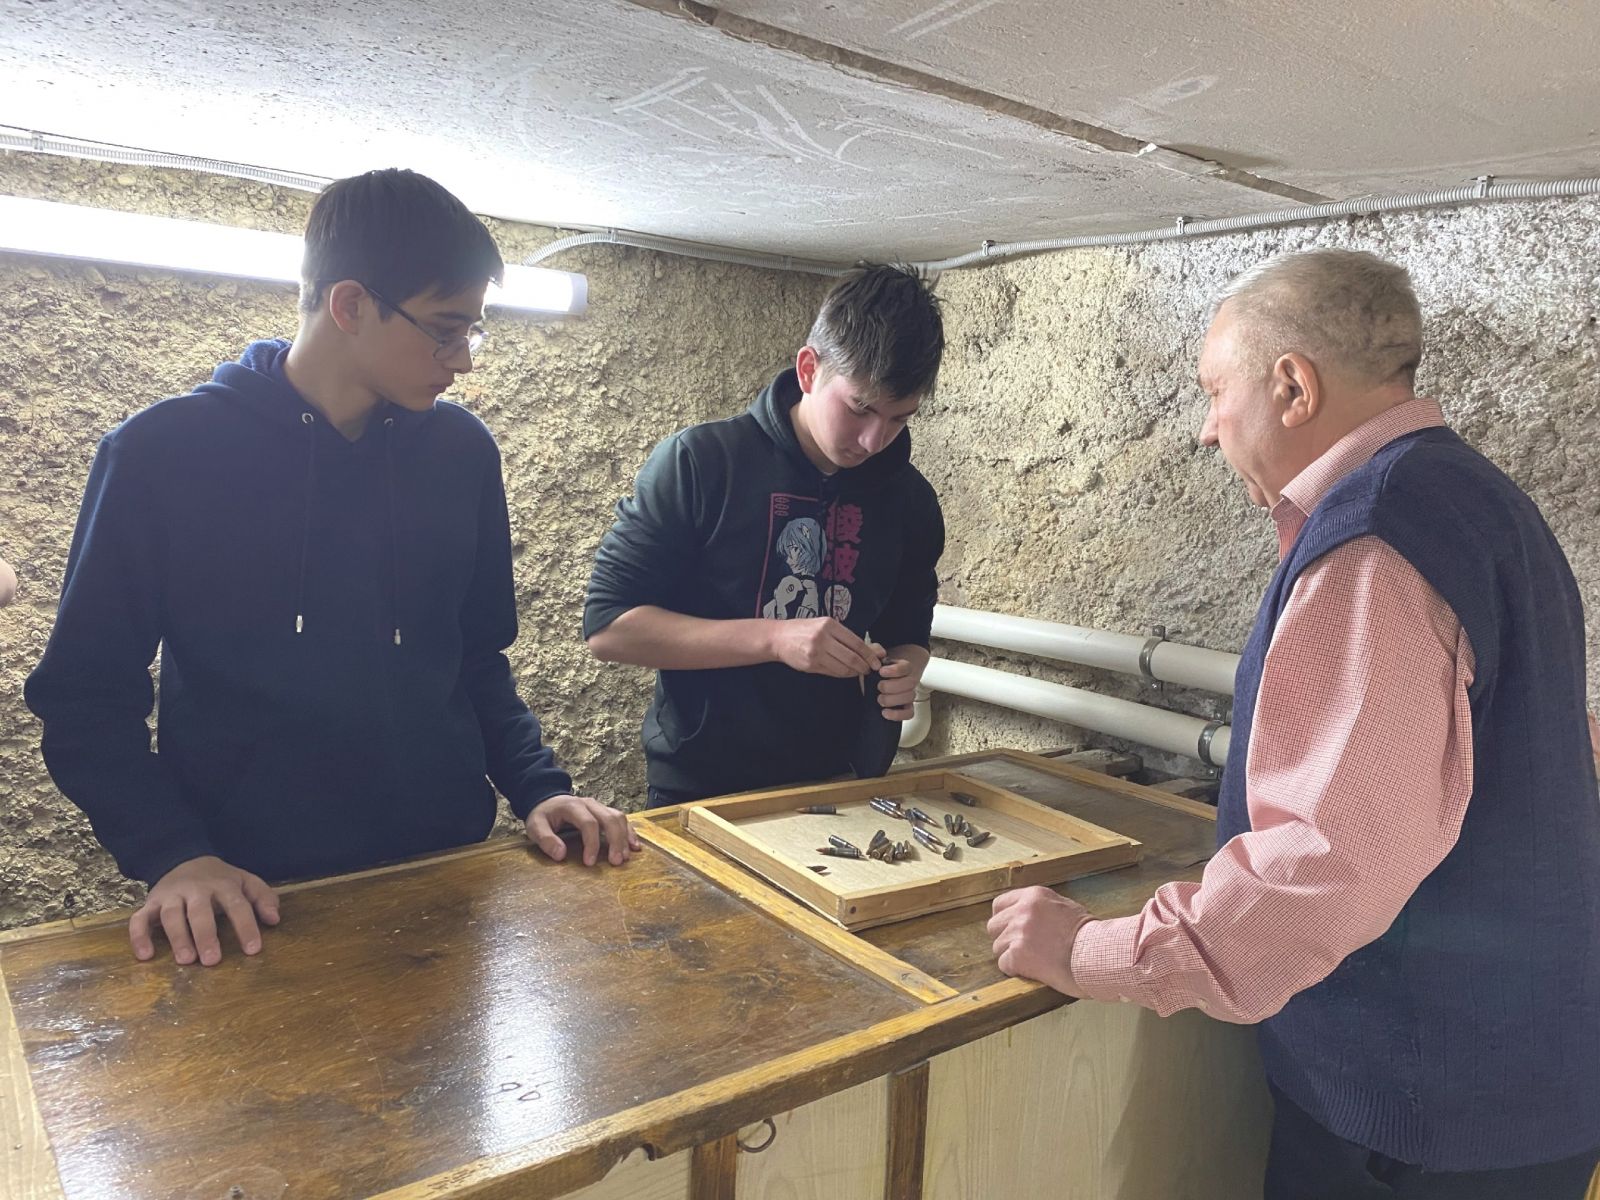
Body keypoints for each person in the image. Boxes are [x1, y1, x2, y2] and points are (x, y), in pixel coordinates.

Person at [988, 249, 1600, 1197]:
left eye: (1214, 391)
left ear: (1292, 387)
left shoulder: (1376, 540)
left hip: (1417, 1121)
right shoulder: (1484, 502)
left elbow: (1323, 868)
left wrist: (1085, 950)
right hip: (1522, 1079)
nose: (1206, 429)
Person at [26, 168, 635, 969]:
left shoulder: (462, 454)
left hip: (445, 875)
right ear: (349, 305)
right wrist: (173, 854)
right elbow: (85, 699)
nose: (463, 360)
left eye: (473, 333)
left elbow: (475, 659)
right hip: (248, 899)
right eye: (444, 330)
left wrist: (539, 786)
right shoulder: (158, 455)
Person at [584, 264, 945, 806]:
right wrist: (775, 640)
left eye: (900, 418)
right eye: (860, 408)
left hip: (841, 779)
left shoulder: (910, 498)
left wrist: (906, 668)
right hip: (701, 786)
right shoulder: (700, 463)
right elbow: (609, 629)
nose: (875, 440)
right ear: (809, 369)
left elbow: (908, 628)